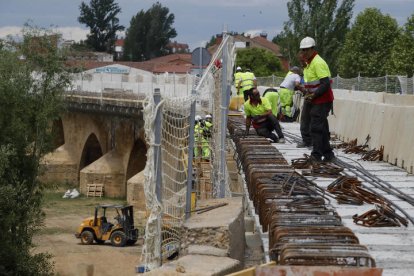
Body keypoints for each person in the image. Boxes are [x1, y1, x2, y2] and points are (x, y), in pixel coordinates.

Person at [298, 36, 335, 162]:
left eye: (306, 50)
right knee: (322, 128)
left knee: (316, 128)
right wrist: (308, 92)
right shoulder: (309, 64)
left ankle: (317, 155)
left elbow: (325, 83)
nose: (304, 53)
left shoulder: (318, 62)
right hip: (315, 99)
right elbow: (312, 84)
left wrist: (314, 95)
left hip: (322, 100)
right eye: (302, 50)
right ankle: (328, 154)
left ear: (313, 49)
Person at [297, 51, 312, 148]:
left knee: (308, 120)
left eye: (302, 61)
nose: (301, 63)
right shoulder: (306, 69)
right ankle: (308, 140)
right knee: (306, 120)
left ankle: (310, 141)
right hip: (309, 96)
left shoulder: (312, 67)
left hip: (314, 96)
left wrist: (303, 89)